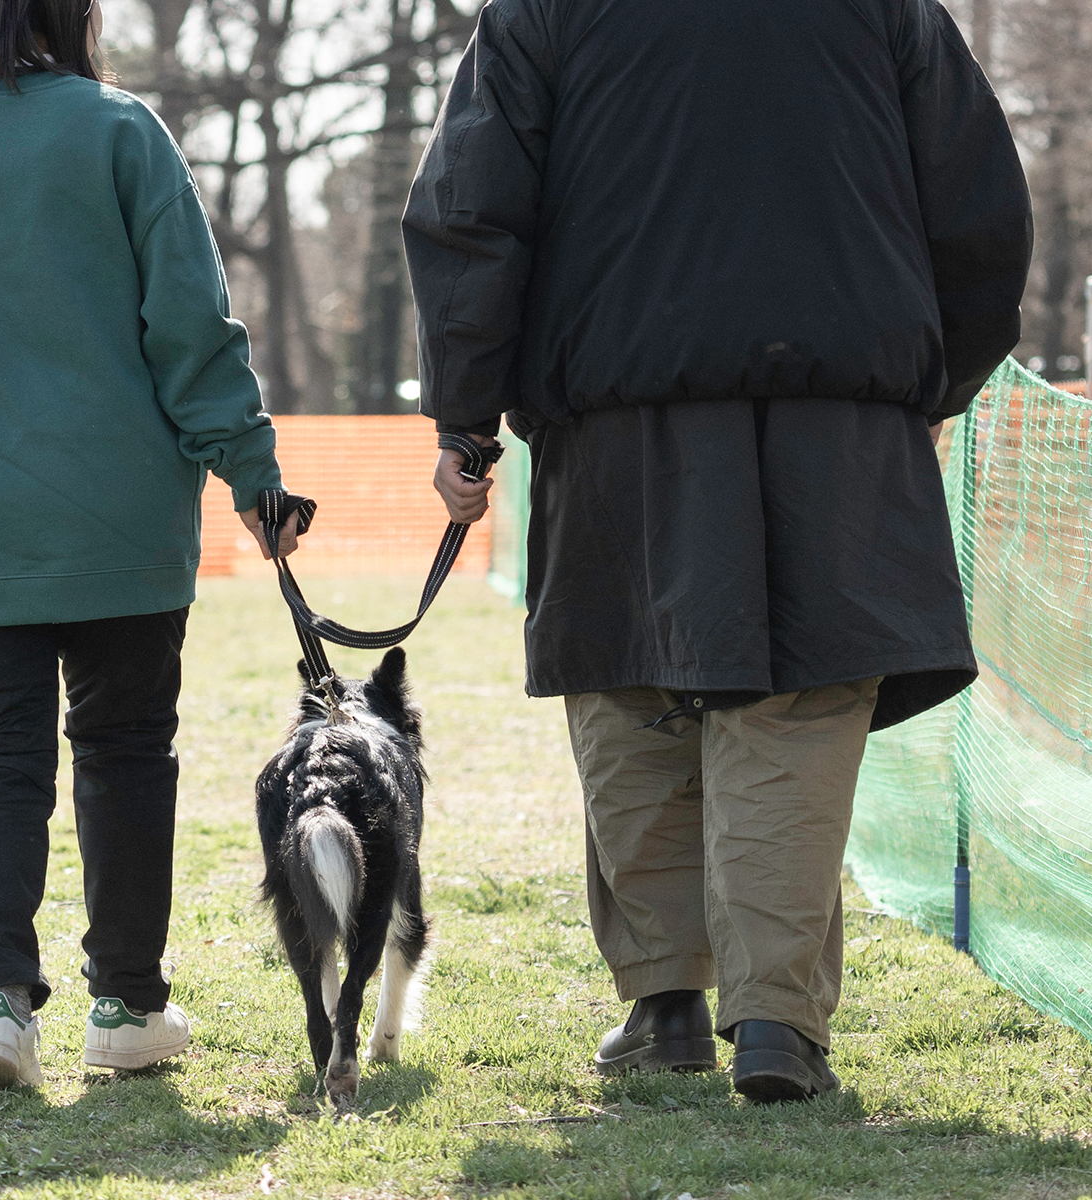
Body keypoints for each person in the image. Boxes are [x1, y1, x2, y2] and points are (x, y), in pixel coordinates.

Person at [407, 0, 1031, 1103]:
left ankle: (665, 1005)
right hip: (838, 418)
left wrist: (466, 409)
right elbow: (979, 209)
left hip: (617, 417)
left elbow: (471, 208)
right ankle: (779, 1026)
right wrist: (932, 384)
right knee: (795, 706)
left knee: (628, 688)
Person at [0, 0, 300, 1090]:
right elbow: (189, 321)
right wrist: (249, 468)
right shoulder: (119, 129)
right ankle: (127, 1006)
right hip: (118, 519)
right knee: (126, 752)